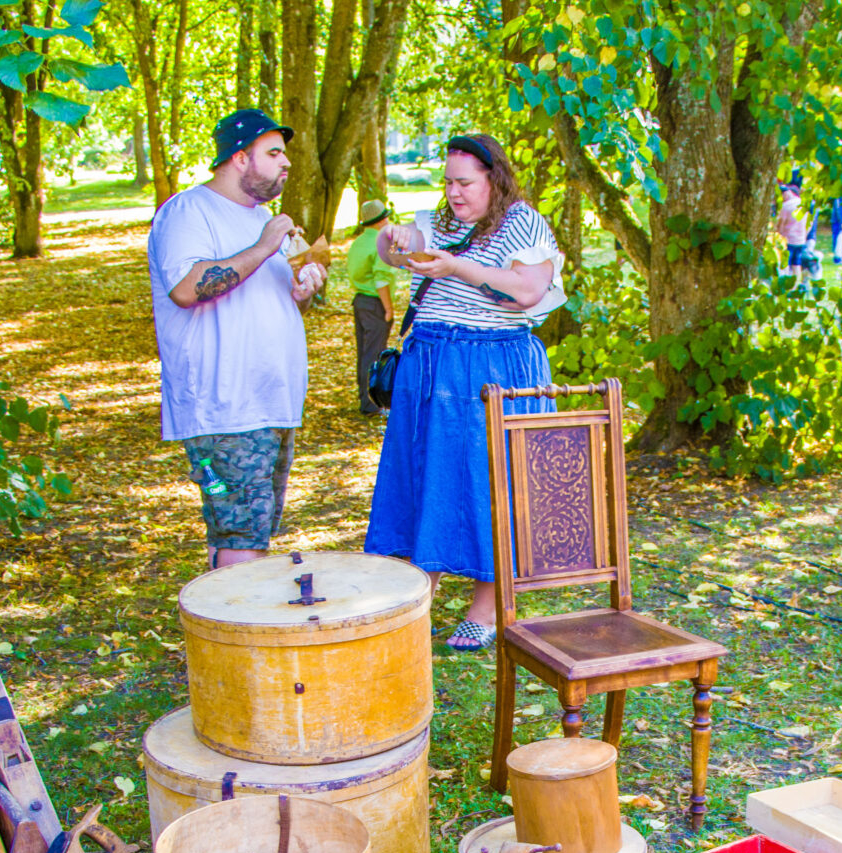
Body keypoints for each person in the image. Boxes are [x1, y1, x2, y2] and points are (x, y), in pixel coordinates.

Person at [364, 133, 565, 652]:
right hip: (432, 364)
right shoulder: (440, 221)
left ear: (493, 180)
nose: (454, 192)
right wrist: (392, 239)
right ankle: (418, 591)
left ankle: (487, 605)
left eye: (465, 183)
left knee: (490, 480)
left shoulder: (522, 222)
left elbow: (528, 291)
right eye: (448, 182)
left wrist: (456, 267)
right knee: (425, 473)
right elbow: (395, 251)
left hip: (495, 364)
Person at [146, 108, 327, 569]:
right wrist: (265, 247)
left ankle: (224, 613)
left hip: (271, 400)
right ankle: (237, 618)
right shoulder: (188, 212)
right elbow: (186, 288)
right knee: (243, 536)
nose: (286, 162)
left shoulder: (263, 219)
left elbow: (269, 302)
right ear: (240, 157)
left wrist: (302, 292)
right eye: (274, 153)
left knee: (248, 530)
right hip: (225, 404)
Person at [345, 198, 402, 414]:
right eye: (385, 218)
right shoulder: (381, 243)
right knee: (375, 354)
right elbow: (381, 280)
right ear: (380, 221)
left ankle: (365, 398)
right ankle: (372, 403)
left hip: (360, 300)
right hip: (374, 303)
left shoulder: (358, 242)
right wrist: (388, 309)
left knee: (364, 353)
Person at [776, 181, 812, 282]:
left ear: (786, 193)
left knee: (786, 264)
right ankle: (796, 285)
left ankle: (787, 284)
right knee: (797, 265)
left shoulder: (786, 206)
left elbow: (781, 224)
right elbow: (810, 223)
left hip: (788, 240)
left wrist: (779, 236)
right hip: (800, 240)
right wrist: (805, 235)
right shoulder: (803, 205)